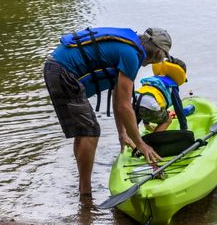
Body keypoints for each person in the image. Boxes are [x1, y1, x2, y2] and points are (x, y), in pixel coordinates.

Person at [43, 26, 172, 195]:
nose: (161, 60)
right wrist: (141, 144)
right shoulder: (131, 55)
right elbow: (124, 106)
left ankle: (83, 189)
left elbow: (118, 97)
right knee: (90, 132)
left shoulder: (130, 49)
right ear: (157, 51)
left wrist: (122, 134)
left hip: (56, 69)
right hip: (63, 71)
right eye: (163, 55)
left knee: (86, 131)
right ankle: (85, 191)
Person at [134, 57, 194, 132]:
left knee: (141, 109)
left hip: (135, 104)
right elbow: (178, 109)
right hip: (151, 108)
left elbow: (145, 99)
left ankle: (133, 139)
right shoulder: (172, 86)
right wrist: (184, 129)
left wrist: (146, 124)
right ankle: (154, 139)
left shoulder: (153, 80)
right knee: (167, 119)